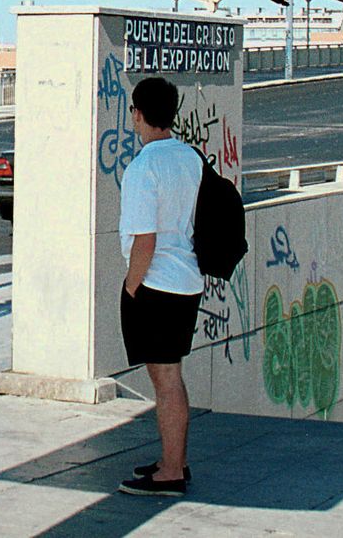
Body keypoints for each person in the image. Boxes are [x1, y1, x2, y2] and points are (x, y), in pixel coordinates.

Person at [115, 76, 203, 497]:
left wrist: (132, 288)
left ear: (137, 113)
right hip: (186, 280)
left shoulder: (143, 167)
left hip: (155, 287)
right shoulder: (189, 158)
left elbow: (144, 240)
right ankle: (175, 458)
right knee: (171, 376)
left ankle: (170, 472)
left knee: (165, 380)